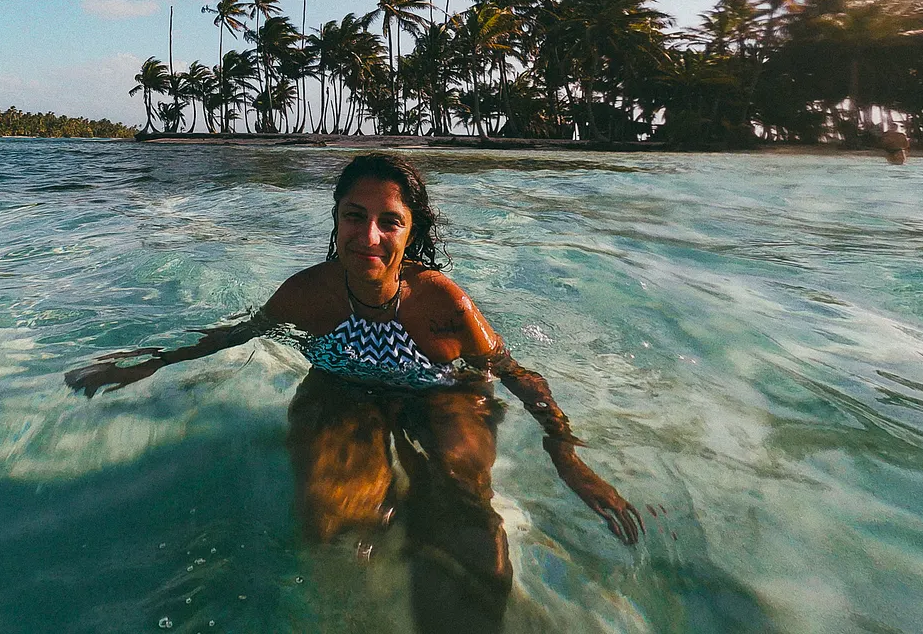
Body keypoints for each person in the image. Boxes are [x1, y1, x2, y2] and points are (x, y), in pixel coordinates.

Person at [66, 152, 642, 633]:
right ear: (336, 220)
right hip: (342, 388)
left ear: (412, 230)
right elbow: (237, 332)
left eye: (389, 221)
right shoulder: (306, 294)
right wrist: (151, 363)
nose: (369, 236)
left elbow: (516, 374)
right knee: (333, 516)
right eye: (354, 215)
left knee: (463, 499)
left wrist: (566, 455)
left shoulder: (441, 301)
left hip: (442, 393)